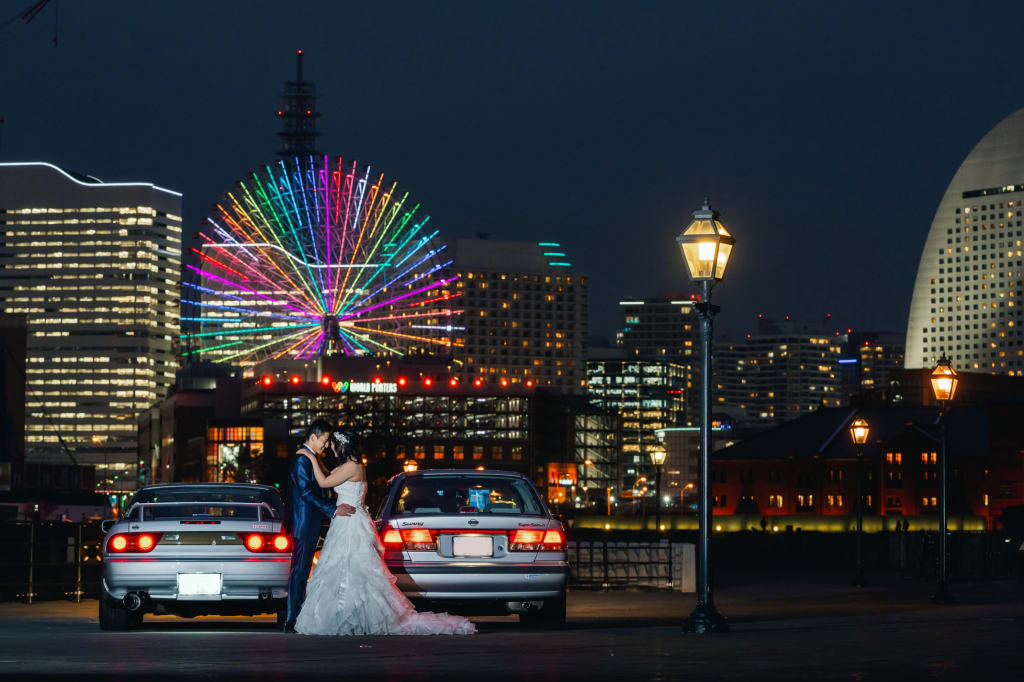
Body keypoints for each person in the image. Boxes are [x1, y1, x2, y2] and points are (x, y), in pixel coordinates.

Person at [294, 430, 475, 636]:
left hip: (351, 524)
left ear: (342, 445)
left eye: (333, 444)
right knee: (345, 572)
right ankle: (347, 617)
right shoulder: (348, 466)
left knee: (354, 571)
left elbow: (323, 482)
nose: (330, 448)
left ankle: (353, 618)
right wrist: (315, 459)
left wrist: (310, 457)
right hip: (345, 521)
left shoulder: (353, 466)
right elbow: (329, 476)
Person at [282, 419, 356, 632]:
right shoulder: (301, 460)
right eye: (324, 440)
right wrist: (332, 509)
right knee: (300, 570)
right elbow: (306, 493)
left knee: (303, 569)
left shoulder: (311, 458)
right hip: (303, 523)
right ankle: (292, 618)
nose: (326, 445)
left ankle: (297, 615)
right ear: (313, 437)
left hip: (310, 521)